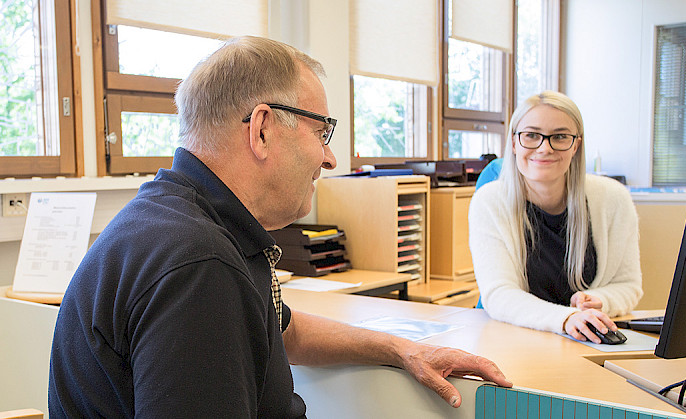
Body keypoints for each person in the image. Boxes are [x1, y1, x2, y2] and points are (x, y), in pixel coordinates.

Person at [48, 36, 511, 418]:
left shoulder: (181, 220)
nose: (329, 157)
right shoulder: (199, 264)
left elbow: (281, 328)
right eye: (321, 132)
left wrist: (403, 349)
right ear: (263, 129)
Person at [468, 91, 642, 344]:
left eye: (560, 136)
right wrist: (567, 318)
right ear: (514, 143)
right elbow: (499, 294)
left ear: (576, 145)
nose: (544, 148)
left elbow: (628, 285)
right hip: (512, 339)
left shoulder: (613, 198)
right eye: (531, 135)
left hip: (586, 341)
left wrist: (600, 300)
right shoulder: (489, 201)